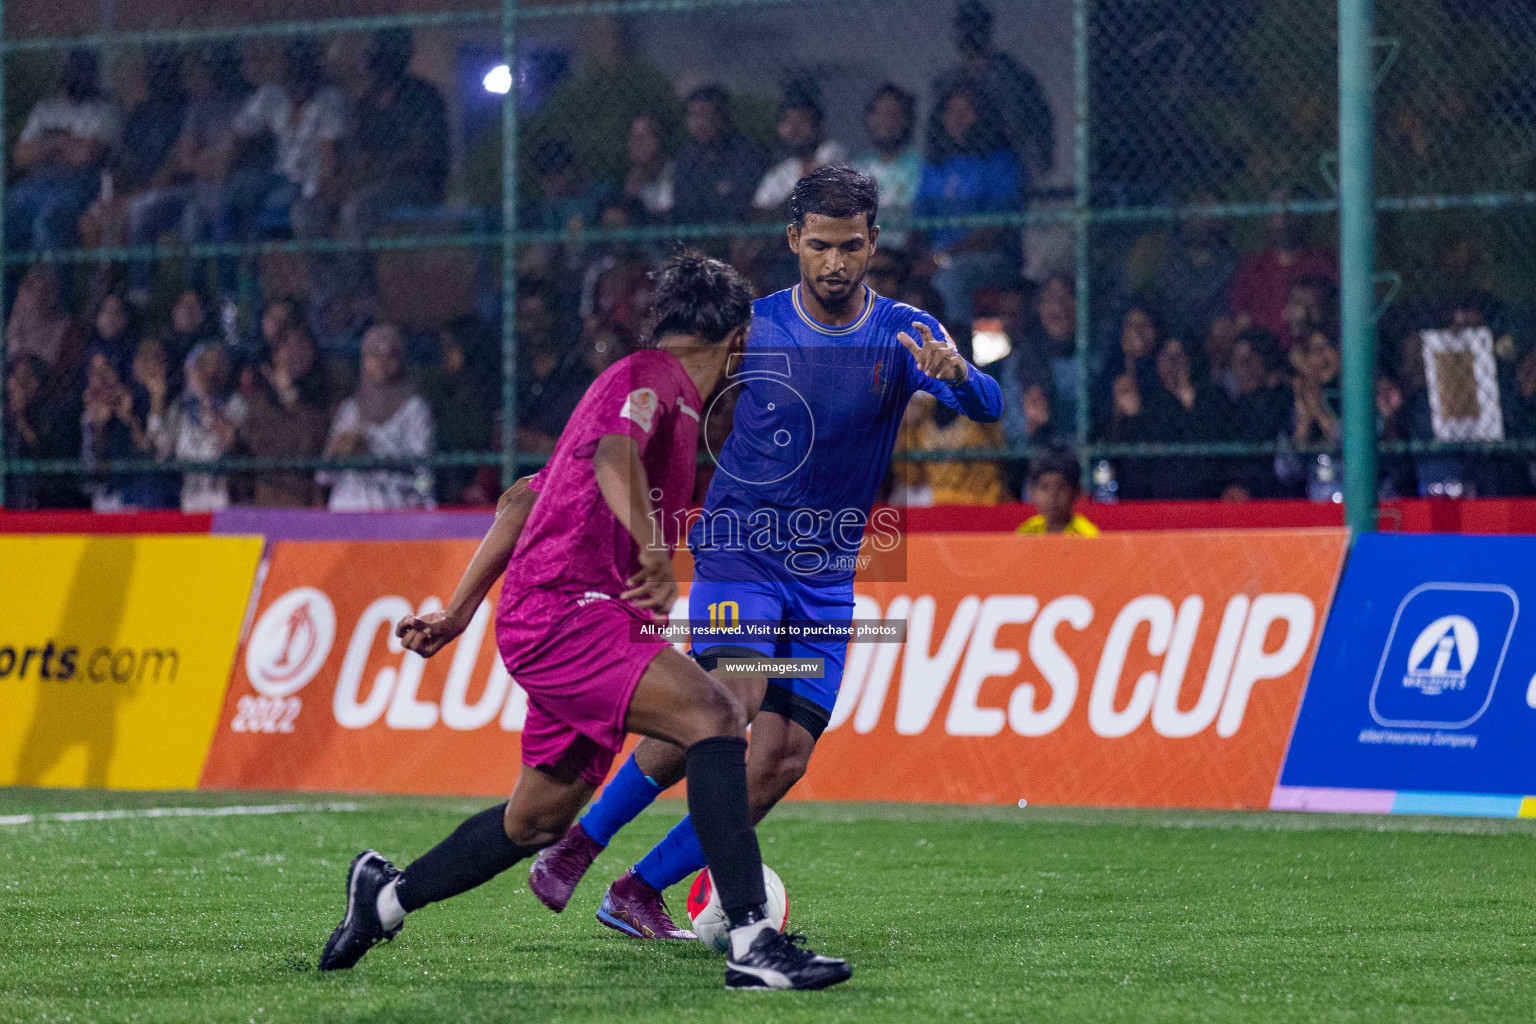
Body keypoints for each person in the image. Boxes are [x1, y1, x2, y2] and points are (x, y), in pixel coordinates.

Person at [315, 254, 851, 991]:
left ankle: (385, 898)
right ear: (739, 337)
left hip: (564, 617)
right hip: (572, 610)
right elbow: (614, 455)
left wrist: (458, 612)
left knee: (536, 819)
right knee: (718, 714)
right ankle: (754, 942)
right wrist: (657, 549)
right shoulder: (653, 381)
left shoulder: (643, 391)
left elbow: (520, 500)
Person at [527, 167, 1002, 940]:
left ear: (874, 242)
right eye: (820, 245)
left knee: (782, 759)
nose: (836, 263)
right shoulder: (753, 328)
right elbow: (670, 400)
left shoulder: (909, 334)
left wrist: (965, 379)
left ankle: (635, 891)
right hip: (740, 549)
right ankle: (578, 845)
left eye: (851, 246)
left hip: (826, 574)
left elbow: (992, 405)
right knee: (728, 706)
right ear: (794, 242)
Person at [216, 38, 348, 301]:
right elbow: (238, 132)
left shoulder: (329, 101)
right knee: (232, 195)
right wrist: (225, 165)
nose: (298, 79)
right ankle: (227, 290)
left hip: (306, 184)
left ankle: (249, 295)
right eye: (293, 68)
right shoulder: (274, 96)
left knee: (259, 217)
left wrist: (324, 188)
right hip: (277, 177)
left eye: (304, 68)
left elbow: (331, 158)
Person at [913, 82, 1025, 341]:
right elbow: (919, 223)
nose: (958, 119)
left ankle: (957, 358)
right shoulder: (936, 164)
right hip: (936, 257)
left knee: (950, 279)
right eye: (951, 111)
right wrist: (912, 256)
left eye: (967, 111)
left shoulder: (1001, 162)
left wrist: (940, 258)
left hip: (989, 258)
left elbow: (994, 231)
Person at [7, 48, 119, 253]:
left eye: (81, 69)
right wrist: (62, 142)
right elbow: (20, 157)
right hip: (37, 184)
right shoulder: (46, 109)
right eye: (70, 68)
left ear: (92, 74)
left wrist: (43, 146)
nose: (74, 75)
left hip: (80, 186)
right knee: (8, 212)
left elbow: (84, 157)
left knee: (48, 221)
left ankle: (54, 283)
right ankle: (10, 284)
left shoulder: (103, 111)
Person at [933, 0, 1055, 182]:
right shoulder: (949, 80)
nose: (968, 32)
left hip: (1005, 164)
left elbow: (1029, 125)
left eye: (975, 24)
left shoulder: (1010, 75)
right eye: (963, 25)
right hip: (961, 170)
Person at [318, 322, 434, 510]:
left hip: (397, 509)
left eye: (390, 356)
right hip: (347, 509)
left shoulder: (414, 409)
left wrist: (373, 454)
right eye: (374, 355)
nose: (381, 363)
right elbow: (325, 476)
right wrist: (340, 451)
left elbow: (424, 477)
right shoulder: (350, 408)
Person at [240, 322, 332, 506]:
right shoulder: (258, 404)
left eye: (301, 345)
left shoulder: (329, 398)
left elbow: (310, 446)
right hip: (268, 500)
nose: (294, 353)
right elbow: (262, 451)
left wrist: (290, 396)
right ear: (275, 355)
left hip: (308, 500)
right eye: (286, 346)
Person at [1231, 191, 1338, 339]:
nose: (1284, 219)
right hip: (1264, 348)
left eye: (1292, 210)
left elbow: (1329, 315)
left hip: (1312, 350)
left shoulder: (1324, 261)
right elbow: (1241, 320)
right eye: (1277, 211)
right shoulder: (1253, 265)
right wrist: (1281, 318)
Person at [671, 86, 768, 227]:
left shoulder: (747, 156)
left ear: (721, 117)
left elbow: (746, 209)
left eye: (704, 115)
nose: (698, 124)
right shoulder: (685, 162)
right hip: (694, 240)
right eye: (693, 116)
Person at [753, 83, 848, 214]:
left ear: (818, 124)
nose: (796, 131)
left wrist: (781, 209)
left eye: (802, 123)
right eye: (791, 124)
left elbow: (813, 184)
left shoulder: (832, 150)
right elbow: (758, 210)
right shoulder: (780, 173)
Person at [851, 84, 921, 250]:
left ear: (906, 120)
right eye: (879, 114)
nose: (885, 121)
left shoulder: (919, 166)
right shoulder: (858, 167)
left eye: (892, 114)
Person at [1017, 445, 1098, 535]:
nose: (1052, 496)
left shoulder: (1086, 535)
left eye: (1061, 487)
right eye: (1044, 487)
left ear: (1076, 491)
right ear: (1031, 491)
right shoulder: (1027, 532)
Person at [622, 113, 674, 222]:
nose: (637, 144)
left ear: (659, 139)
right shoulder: (628, 184)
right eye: (633, 138)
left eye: (643, 138)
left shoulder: (677, 174)